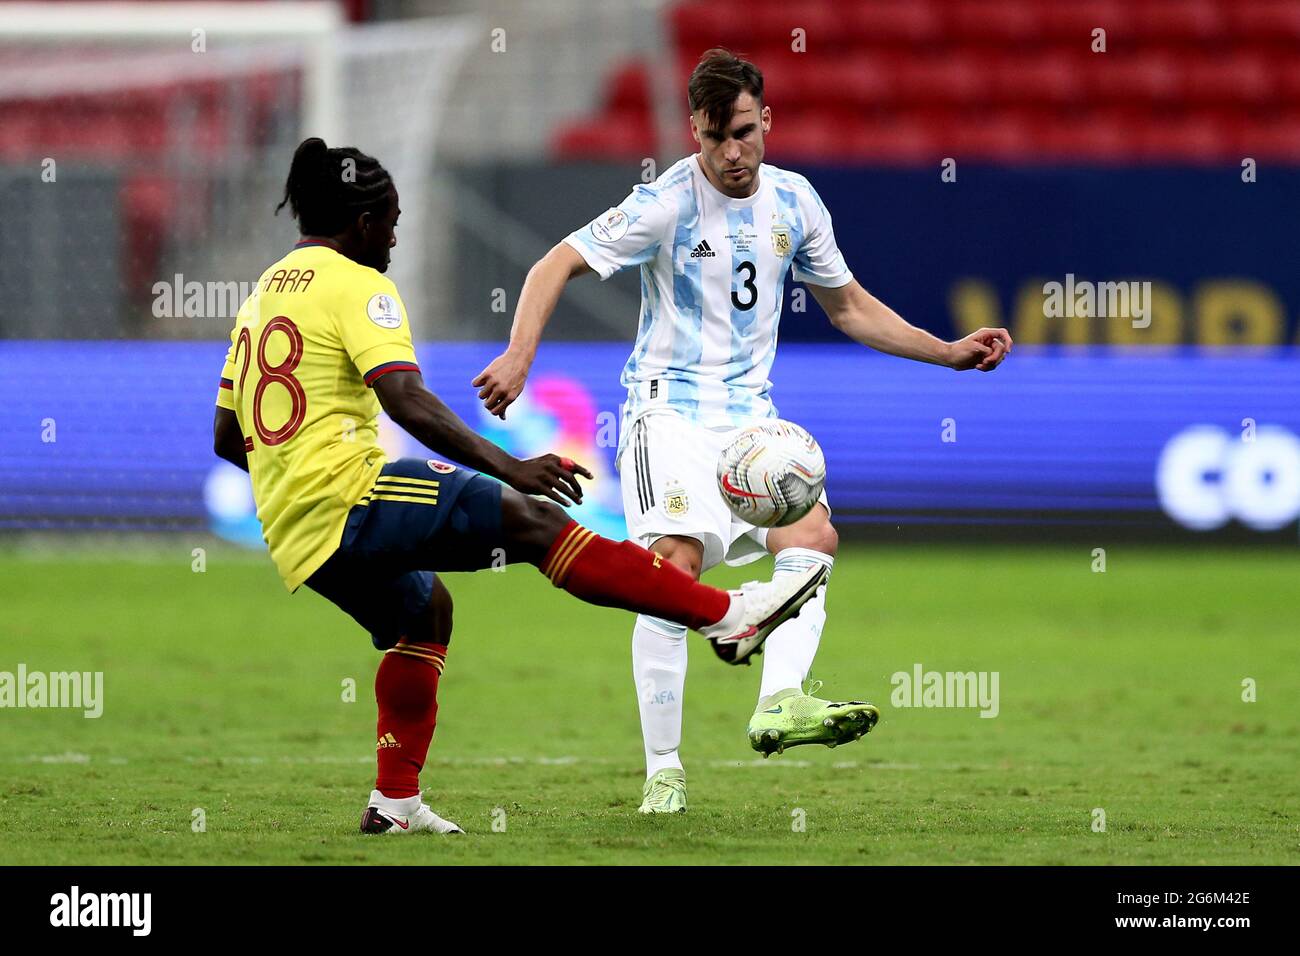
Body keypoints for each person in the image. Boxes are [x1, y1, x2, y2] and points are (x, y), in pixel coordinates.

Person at [211, 137, 827, 834]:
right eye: (390, 221)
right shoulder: (360, 286)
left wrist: (295, 489)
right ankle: (729, 617)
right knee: (533, 522)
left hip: (292, 532)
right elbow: (407, 400)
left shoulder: (263, 293)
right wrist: (511, 465)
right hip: (347, 499)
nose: (393, 235)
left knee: (425, 614)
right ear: (360, 224)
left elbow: (229, 439)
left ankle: (396, 805)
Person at [473, 49, 1013, 813]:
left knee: (815, 543)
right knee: (673, 568)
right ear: (694, 130)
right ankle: (664, 768)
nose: (734, 152)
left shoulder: (796, 203)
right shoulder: (664, 204)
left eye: (747, 132)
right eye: (718, 136)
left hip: (751, 423)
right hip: (668, 413)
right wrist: (519, 355)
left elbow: (850, 306)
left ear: (768, 122)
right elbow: (552, 264)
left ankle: (779, 700)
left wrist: (947, 353)